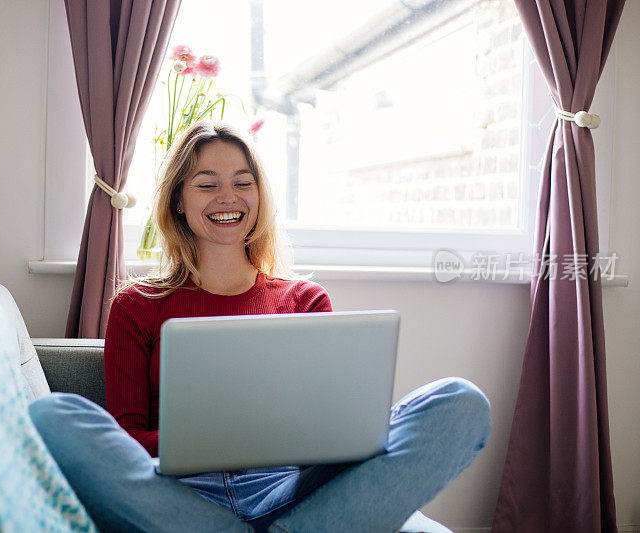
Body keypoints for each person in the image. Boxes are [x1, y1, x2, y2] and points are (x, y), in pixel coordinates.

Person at [29, 121, 492, 533]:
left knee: (461, 402)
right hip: (182, 494)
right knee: (53, 418)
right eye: (207, 184)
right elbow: (127, 436)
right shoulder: (137, 306)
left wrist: (324, 442)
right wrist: (218, 444)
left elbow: (325, 434)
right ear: (178, 202)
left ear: (259, 196)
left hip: (289, 490)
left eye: (242, 183)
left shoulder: (305, 301)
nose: (227, 198)